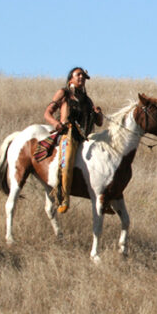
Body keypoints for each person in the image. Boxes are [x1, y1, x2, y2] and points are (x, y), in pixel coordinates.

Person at [43, 67, 103, 213]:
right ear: (71, 79)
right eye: (78, 75)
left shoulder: (87, 101)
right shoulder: (64, 93)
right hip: (68, 134)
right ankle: (63, 197)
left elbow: (99, 123)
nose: (81, 77)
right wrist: (56, 124)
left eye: (83, 76)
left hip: (85, 137)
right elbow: (47, 113)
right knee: (67, 160)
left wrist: (98, 113)